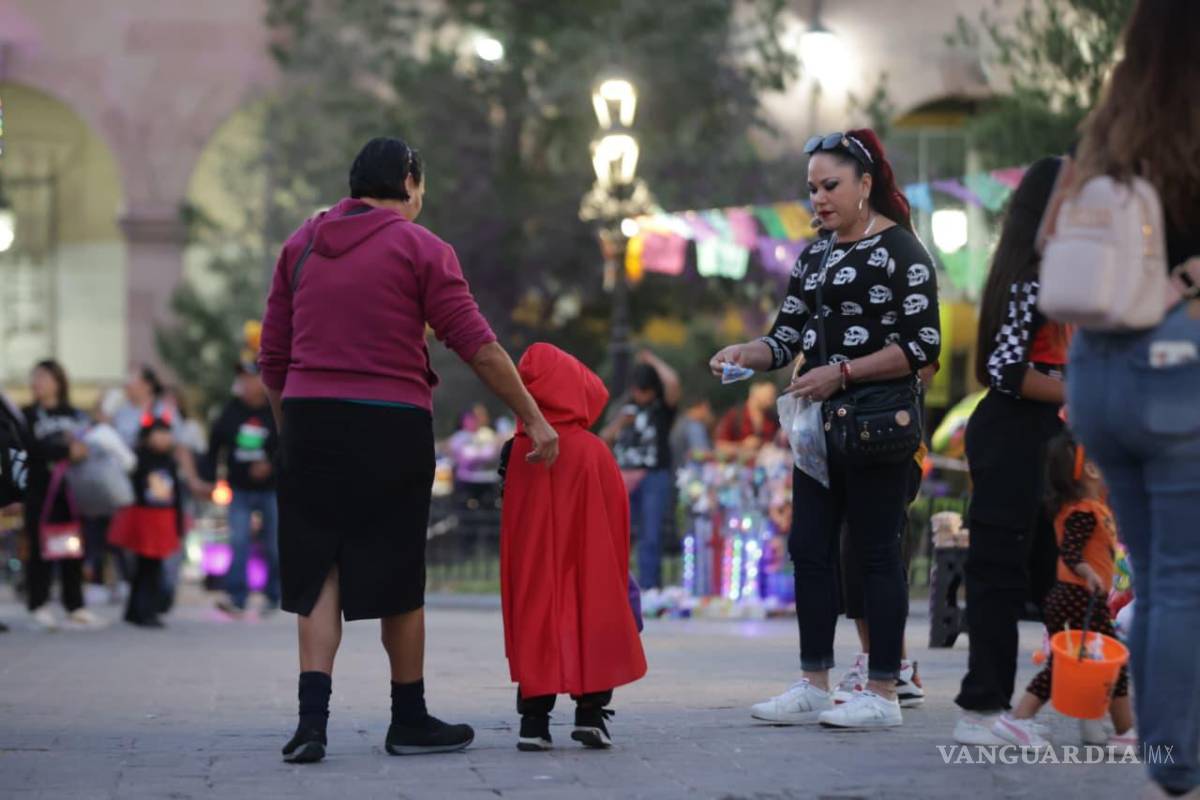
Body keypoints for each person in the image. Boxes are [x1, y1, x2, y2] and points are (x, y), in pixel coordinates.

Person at [258, 136, 559, 764]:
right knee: (399, 572)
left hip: (311, 419)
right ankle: (409, 718)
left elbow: (274, 360)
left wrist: (292, 433)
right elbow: (476, 345)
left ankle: (312, 725)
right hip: (391, 424)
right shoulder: (422, 248)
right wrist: (532, 417)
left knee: (320, 571)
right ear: (410, 182)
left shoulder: (302, 244)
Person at [710, 129, 940, 729]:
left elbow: (922, 344)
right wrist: (748, 351)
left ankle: (885, 691)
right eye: (812, 188)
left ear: (865, 185)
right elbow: (786, 338)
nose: (818, 198)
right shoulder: (814, 256)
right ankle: (814, 681)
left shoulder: (902, 252)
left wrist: (841, 372)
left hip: (878, 426)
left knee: (875, 556)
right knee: (809, 550)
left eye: (830, 185)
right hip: (816, 431)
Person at [1063, 2, 1200, 795]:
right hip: (1174, 368)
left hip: (1097, 371)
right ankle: (1176, 759)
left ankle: (1165, 751)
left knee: (1155, 569)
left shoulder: (1107, 140)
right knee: (1183, 576)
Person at [950, 157, 1070, 745]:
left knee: (1063, 570)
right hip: (1014, 432)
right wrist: (1081, 393)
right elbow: (1005, 368)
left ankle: (1077, 700)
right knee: (997, 569)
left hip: (1049, 435)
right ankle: (982, 709)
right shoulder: (1031, 277)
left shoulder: (1066, 274)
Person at [499, 343, 647, 751]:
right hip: (589, 562)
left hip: (533, 565)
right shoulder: (593, 450)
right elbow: (618, 517)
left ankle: (534, 721)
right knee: (592, 617)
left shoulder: (517, 450)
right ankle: (591, 714)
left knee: (535, 623)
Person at [990, 435, 1134, 750]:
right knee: (1110, 664)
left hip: (1076, 598)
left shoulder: (1092, 506)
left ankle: (1021, 719)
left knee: (1079, 665)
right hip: (1080, 598)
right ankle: (1125, 732)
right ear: (1092, 470)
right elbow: (1070, 551)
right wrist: (1089, 574)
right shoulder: (1083, 511)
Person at [21, 360, 103, 631]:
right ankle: (38, 603)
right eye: (35, 378)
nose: (37, 383)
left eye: (43, 377)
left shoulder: (75, 414)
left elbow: (91, 443)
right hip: (39, 491)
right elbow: (28, 449)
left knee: (72, 547)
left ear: (58, 382)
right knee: (39, 547)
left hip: (71, 491)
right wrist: (64, 452)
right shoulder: (27, 416)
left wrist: (82, 450)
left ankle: (74, 604)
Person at [198, 364, 280, 618]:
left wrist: (272, 464)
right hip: (240, 488)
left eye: (251, 379)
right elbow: (215, 446)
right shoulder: (231, 411)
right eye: (242, 379)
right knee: (239, 541)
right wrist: (209, 478)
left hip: (271, 489)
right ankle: (237, 596)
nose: (246, 384)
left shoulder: (275, 410)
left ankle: (273, 595)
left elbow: (291, 442)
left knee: (274, 543)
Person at [600, 350, 680, 590]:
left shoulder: (661, 408)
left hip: (653, 474)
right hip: (623, 475)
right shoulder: (623, 407)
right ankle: (616, 586)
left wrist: (653, 361)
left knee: (651, 534)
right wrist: (620, 423)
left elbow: (673, 382)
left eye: (646, 391)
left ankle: (649, 587)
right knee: (618, 533)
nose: (641, 395)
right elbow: (603, 439)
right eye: (638, 390)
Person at [108, 412, 184, 628]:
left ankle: (139, 611)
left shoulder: (169, 462)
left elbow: (176, 495)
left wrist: (178, 525)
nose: (163, 438)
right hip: (143, 519)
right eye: (158, 433)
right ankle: (144, 611)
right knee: (146, 568)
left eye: (166, 433)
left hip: (163, 520)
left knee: (152, 567)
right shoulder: (138, 460)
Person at [714, 381, 779, 458]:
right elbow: (719, 446)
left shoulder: (773, 418)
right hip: (738, 466)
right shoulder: (735, 415)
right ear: (755, 394)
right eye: (768, 396)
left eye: (773, 396)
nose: (772, 399)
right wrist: (742, 445)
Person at [670, 397, 714, 467]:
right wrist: (717, 455)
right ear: (700, 407)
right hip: (691, 473)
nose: (708, 413)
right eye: (707, 409)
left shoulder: (681, 422)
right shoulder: (693, 426)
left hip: (681, 471)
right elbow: (696, 454)